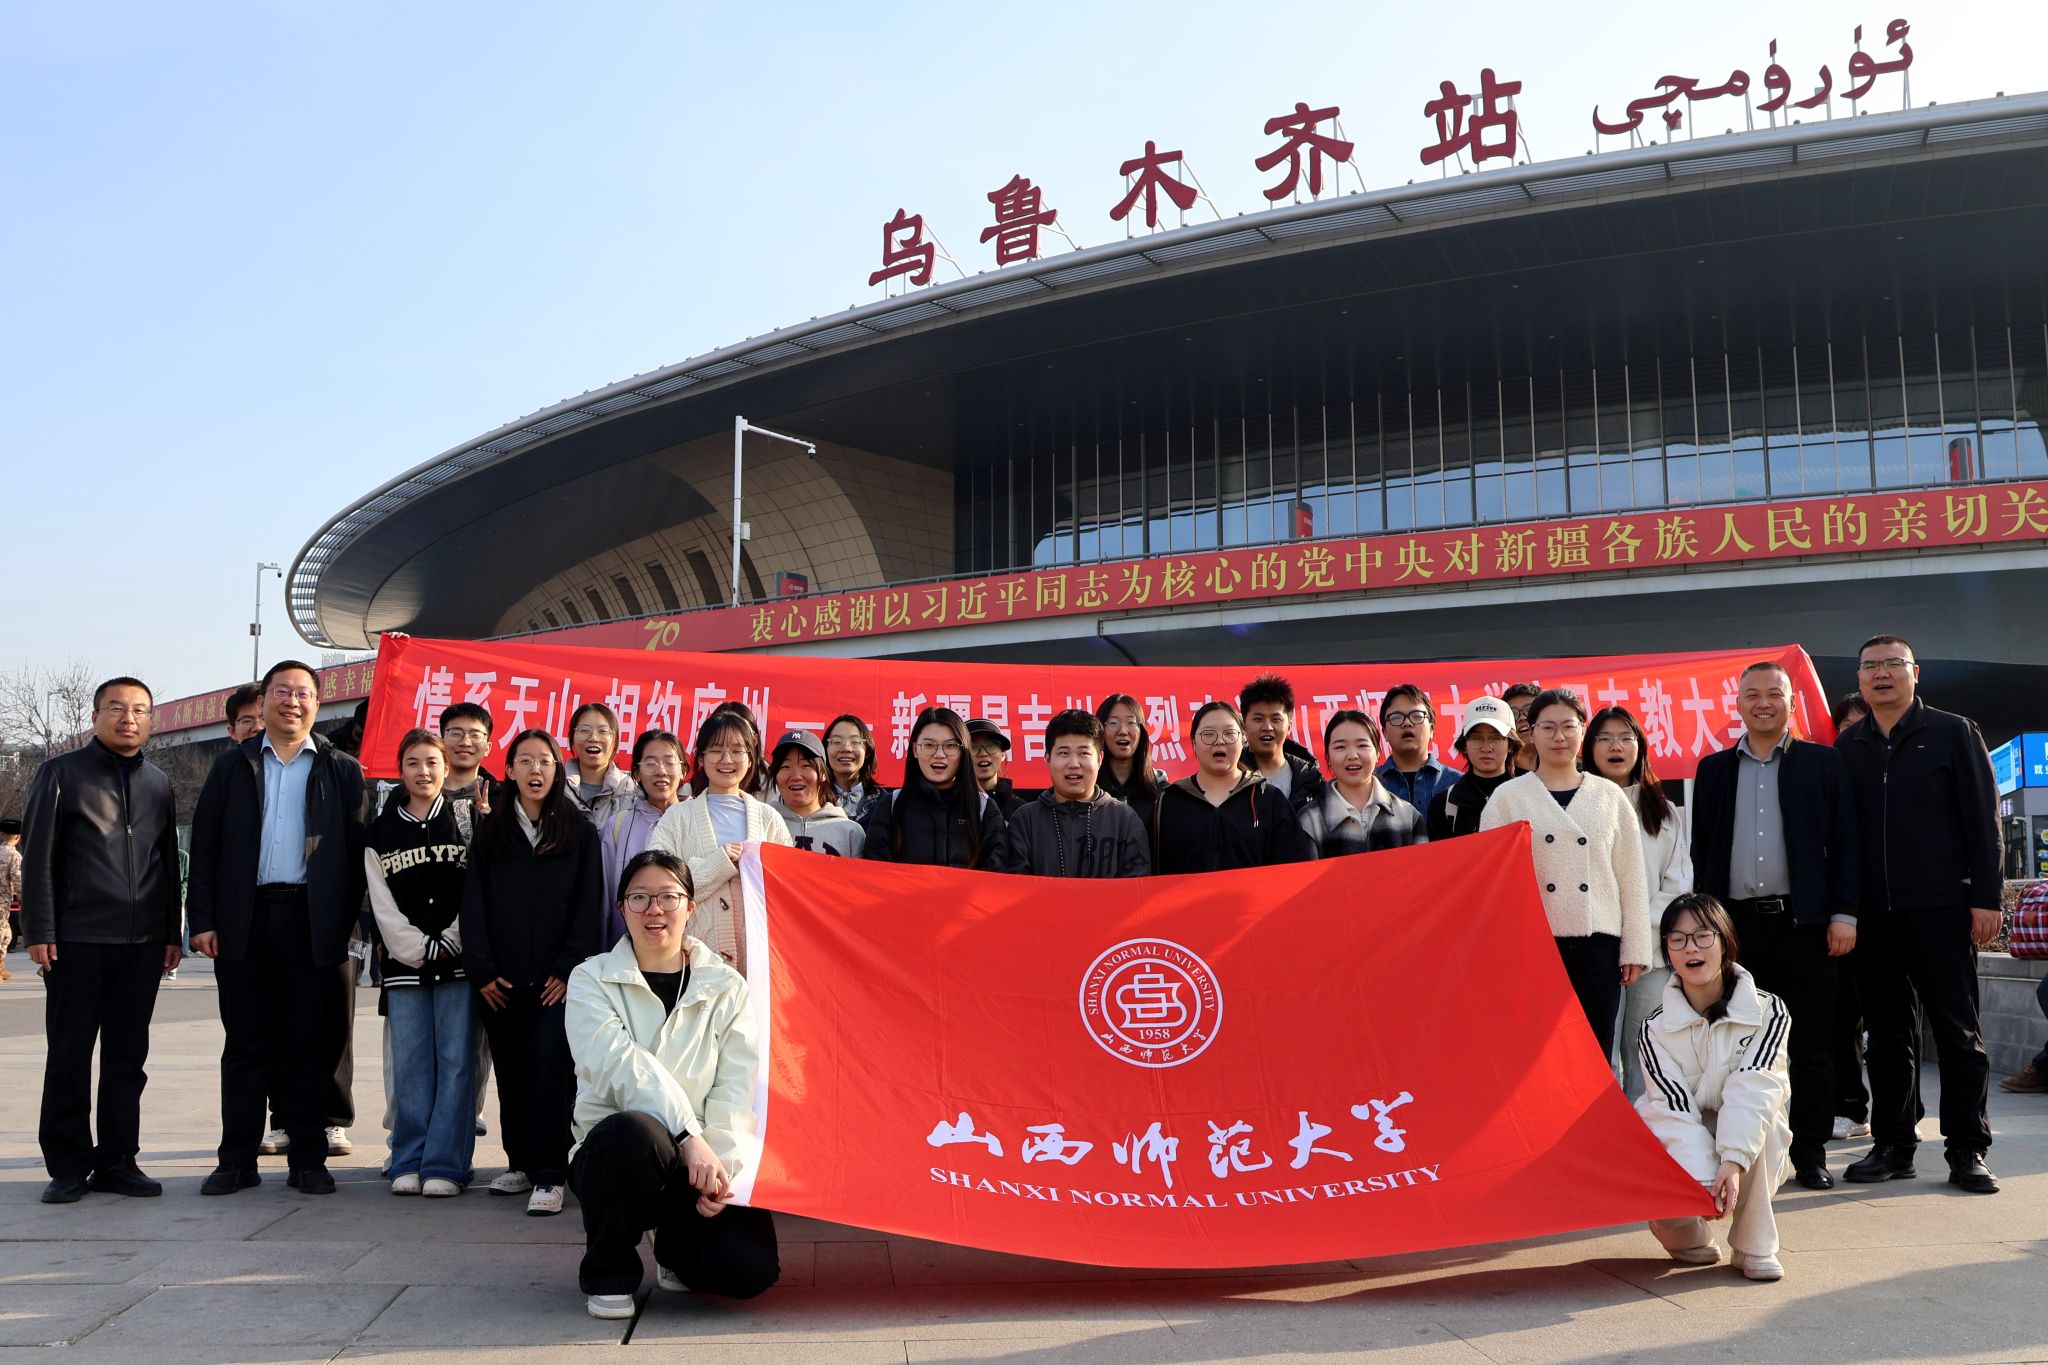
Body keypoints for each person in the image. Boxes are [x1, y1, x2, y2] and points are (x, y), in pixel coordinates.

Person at [567, 850, 777, 1318]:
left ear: (690, 906)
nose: (654, 909)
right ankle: (609, 1272)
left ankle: (673, 1248)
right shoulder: (591, 979)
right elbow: (620, 1066)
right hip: (619, 1155)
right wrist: (687, 1136)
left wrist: (721, 1167)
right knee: (633, 1132)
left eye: (668, 897)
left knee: (750, 1271)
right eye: (639, 898)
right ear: (622, 908)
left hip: (698, 1160)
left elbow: (735, 1086)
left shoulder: (725, 986)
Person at [189, 660, 370, 1197]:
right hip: (244, 919)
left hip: (314, 921)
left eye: (303, 693)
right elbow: (205, 846)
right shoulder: (232, 766)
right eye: (282, 692)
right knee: (245, 1044)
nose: (292, 701)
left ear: (317, 704)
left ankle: (308, 1161)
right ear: (264, 701)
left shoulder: (342, 769)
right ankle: (236, 1161)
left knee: (307, 1046)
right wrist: (203, 920)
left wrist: (350, 927)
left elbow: (358, 853)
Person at [1834, 635, 2002, 1195]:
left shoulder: (1953, 733)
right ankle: (1893, 1144)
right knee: (1886, 1037)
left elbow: (1984, 820)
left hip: (1942, 911)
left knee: (1958, 1034)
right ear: (1860, 678)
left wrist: (1987, 897)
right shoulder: (1848, 746)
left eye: (1893, 664)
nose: (1881, 674)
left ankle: (1967, 1148)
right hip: (1873, 917)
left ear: (1915, 672)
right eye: (1870, 666)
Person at [1690, 663, 1859, 1187]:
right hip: (1736, 930)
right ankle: (1746, 1153)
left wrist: (1843, 914)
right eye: (1752, 694)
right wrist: (1707, 928)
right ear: (1738, 704)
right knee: (1740, 1043)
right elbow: (1703, 850)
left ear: (1791, 702)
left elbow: (1846, 844)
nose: (1763, 703)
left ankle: (1809, 1152)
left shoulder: (1823, 764)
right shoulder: (1714, 770)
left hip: (1805, 925)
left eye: (1774, 694)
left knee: (1811, 1041)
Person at [19, 677, 182, 1204]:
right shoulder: (60, 773)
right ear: (96, 716)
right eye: (116, 707)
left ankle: (118, 1161)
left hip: (142, 944)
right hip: (77, 939)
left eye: (139, 710)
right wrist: (40, 930)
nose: (128, 718)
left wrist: (171, 932)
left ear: (151, 721)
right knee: (69, 1055)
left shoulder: (159, 783)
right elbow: (37, 858)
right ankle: (68, 1165)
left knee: (127, 1058)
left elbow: (167, 862)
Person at [458, 728, 604, 1216]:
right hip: (500, 981)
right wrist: (482, 971)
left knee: (548, 1069)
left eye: (545, 760)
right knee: (511, 1070)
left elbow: (588, 907)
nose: (535, 769)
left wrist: (568, 968)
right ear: (510, 770)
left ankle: (550, 1173)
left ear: (558, 770)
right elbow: (474, 905)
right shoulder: (492, 831)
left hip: (554, 983)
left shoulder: (578, 831)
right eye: (525, 760)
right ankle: (519, 1162)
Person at [1480, 687, 1651, 1058]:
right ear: (1531, 732)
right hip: (1534, 944)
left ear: (1582, 730)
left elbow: (1632, 879)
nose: (1559, 737)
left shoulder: (1609, 796)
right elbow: (1490, 882)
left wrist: (1635, 948)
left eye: (1568, 726)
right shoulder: (1507, 798)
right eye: (1548, 727)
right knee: (1535, 1055)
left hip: (1599, 944)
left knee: (1594, 1053)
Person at [1635, 893, 1792, 1282]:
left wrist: (1732, 1162)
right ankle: (1685, 1235)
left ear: (1725, 942)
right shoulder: (1654, 1028)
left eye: (1703, 936)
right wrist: (1705, 1182)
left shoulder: (1768, 1011)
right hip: (1690, 1133)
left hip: (1746, 1134)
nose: (1691, 948)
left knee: (1764, 1121)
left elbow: (1755, 1086)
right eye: (1678, 939)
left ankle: (1755, 1244)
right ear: (1667, 951)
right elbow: (1670, 1108)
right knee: (1649, 1135)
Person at [364, 729, 477, 1198]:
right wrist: (415, 947)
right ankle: (408, 1158)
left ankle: (447, 1163)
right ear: (400, 770)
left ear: (446, 768)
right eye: (413, 762)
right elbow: (381, 902)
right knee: (410, 1066)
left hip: (459, 963)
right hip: (404, 967)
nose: (424, 771)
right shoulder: (379, 831)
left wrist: (452, 939)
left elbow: (478, 889)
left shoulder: (467, 821)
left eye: (432, 762)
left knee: (456, 1064)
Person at [1585, 705, 1694, 1103]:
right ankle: (1604, 1128)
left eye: (1625, 738)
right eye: (1605, 738)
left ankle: (1644, 1128)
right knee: (1599, 1049)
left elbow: (1678, 881)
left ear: (1640, 747)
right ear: (1590, 748)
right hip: (1597, 949)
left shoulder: (1662, 810)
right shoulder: (1578, 805)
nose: (1616, 747)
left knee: (1645, 1048)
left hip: (1651, 952)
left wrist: (1638, 931)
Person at [649, 711, 793, 972]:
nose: (727, 760)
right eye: (716, 751)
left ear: (751, 758)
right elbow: (658, 887)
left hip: (758, 965)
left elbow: (787, 892)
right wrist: (718, 864)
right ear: (701, 758)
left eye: (737, 751)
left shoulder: (769, 819)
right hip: (692, 964)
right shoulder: (676, 818)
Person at [1154, 701, 1316, 874]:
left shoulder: (1268, 799)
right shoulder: (1170, 801)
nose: (1219, 741)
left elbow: (1295, 872)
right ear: (1194, 742)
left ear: (1243, 739)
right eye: (1208, 734)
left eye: (1229, 733)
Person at [994, 710, 1150, 877]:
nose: (1074, 764)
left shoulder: (1125, 820)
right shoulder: (1026, 820)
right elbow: (1016, 884)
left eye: (1084, 753)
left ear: (1099, 759)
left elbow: (1137, 885)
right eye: (1064, 753)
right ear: (1047, 758)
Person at [862, 707, 1007, 870]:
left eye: (950, 746)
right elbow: (876, 871)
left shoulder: (984, 808)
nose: (939, 754)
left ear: (963, 751)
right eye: (929, 745)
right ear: (915, 749)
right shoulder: (892, 806)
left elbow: (995, 874)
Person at [1825, 688, 1873, 1140]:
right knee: (1843, 1016)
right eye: (1844, 726)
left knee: (1896, 1020)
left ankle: (1905, 1111)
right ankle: (1851, 1107)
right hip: (1843, 915)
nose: (1853, 733)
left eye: (1861, 723)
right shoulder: (1829, 774)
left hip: (1890, 910)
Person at [597, 730, 687, 950]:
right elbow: (605, 900)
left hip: (688, 952)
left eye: (669, 762)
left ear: (683, 770)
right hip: (629, 953)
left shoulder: (700, 821)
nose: (661, 771)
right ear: (636, 773)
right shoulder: (618, 826)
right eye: (650, 763)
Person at [1299, 710, 1425, 855]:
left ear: (1377, 752)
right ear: (1327, 757)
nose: (1352, 755)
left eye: (1362, 745)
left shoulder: (1408, 816)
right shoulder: (1310, 820)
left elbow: (1421, 868)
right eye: (1340, 747)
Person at [1426, 697, 1519, 840]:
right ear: (1464, 745)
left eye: (1495, 738)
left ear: (1510, 745)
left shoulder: (1529, 796)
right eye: (1476, 738)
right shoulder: (1444, 804)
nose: (1486, 748)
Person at [767, 731, 866, 857]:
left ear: (823, 774)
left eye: (806, 765)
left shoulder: (850, 832)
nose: (796, 776)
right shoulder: (762, 825)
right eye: (786, 767)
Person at [1237, 675, 1325, 817]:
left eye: (1276, 719)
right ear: (1244, 726)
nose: (1267, 727)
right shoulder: (1232, 778)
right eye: (1258, 719)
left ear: (1289, 726)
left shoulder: (1312, 781)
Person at [1376, 685, 1458, 812]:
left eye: (1417, 716)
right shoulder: (1370, 784)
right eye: (1396, 717)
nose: (1407, 723)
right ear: (1385, 732)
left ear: (1431, 729)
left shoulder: (1458, 783)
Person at [1094, 694, 1168, 830]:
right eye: (1113, 723)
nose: (1123, 731)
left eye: (1131, 722)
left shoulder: (1162, 792)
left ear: (1141, 731)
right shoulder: (1088, 791)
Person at [565, 702, 635, 824]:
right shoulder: (555, 785)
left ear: (615, 741)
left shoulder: (632, 789)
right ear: (572, 738)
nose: (593, 738)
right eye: (584, 730)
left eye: (603, 731)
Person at [823, 714, 884, 823]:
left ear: (867, 751)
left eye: (855, 742)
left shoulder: (884, 801)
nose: (846, 748)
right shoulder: (813, 799)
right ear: (825, 750)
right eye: (837, 742)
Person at [967, 719, 1031, 819]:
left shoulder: (1021, 810)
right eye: (973, 747)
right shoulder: (949, 806)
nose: (983, 753)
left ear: (1002, 754)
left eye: (991, 746)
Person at [438, 702, 499, 806]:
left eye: (475, 735)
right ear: (441, 743)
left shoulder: (503, 800)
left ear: (487, 748)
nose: (465, 742)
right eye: (456, 734)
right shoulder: (416, 793)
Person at [1503, 682, 1542, 774]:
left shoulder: (1568, 766)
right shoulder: (1499, 773)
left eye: (1529, 710)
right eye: (1513, 714)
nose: (1522, 717)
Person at [0, 817, 21, 981]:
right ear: (18, 837)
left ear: (2, 834)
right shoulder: (14, 855)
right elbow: (17, 878)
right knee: (3, 934)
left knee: (6, 933)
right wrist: (24, 899)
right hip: (2, 901)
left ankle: (1, 967)